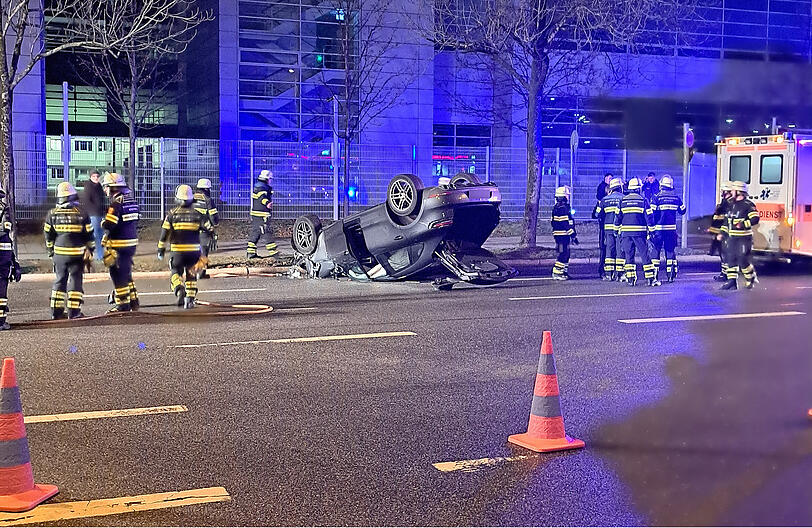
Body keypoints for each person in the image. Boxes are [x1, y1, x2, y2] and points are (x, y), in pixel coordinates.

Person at [43, 182, 95, 320]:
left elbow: (48, 235)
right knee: (75, 280)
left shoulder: (52, 214)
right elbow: (89, 234)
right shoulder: (82, 214)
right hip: (77, 254)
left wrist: (51, 252)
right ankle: (74, 312)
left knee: (60, 280)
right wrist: (91, 249)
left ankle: (56, 312)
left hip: (59, 254)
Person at [158, 185, 215, 309]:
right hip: (193, 251)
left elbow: (164, 233)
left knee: (175, 271)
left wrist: (161, 249)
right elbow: (209, 227)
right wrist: (212, 236)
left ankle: (179, 289)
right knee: (191, 274)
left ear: (177, 198)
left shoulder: (171, 214)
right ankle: (189, 299)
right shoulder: (197, 214)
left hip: (177, 251)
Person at [101, 172, 140, 312]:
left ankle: (122, 305)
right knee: (126, 272)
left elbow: (110, 224)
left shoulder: (116, 203)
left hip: (118, 244)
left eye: (106, 187)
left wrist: (103, 223)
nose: (105, 190)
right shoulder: (132, 201)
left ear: (112, 188)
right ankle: (134, 301)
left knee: (117, 274)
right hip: (131, 243)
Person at [615, 177, 658, 286]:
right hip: (639, 233)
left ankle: (631, 278)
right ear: (639, 189)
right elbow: (649, 217)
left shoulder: (622, 201)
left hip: (625, 234)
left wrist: (616, 230)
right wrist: (652, 231)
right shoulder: (643, 201)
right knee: (644, 255)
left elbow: (617, 217)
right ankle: (650, 278)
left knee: (629, 255)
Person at [719, 181, 759, 290]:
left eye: (733, 190)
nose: (731, 192)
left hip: (744, 238)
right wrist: (722, 233)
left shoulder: (748, 205)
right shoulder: (731, 204)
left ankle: (750, 277)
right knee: (730, 258)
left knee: (742, 259)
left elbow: (755, 219)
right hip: (732, 237)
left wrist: (743, 224)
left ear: (738, 191)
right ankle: (732, 281)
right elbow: (727, 221)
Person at [648, 174, 686, 283]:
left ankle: (654, 276)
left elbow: (652, 214)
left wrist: (651, 227)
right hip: (671, 230)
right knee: (669, 251)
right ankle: (670, 275)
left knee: (656, 251)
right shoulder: (676, 198)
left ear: (661, 185)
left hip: (659, 229)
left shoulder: (656, 197)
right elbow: (683, 210)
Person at [593, 177, 624, 280]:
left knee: (609, 250)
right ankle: (620, 274)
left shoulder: (604, 199)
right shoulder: (623, 198)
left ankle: (608, 274)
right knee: (619, 250)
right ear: (619, 187)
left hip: (607, 229)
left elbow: (597, 214)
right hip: (619, 228)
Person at [0, 185, 22, 330]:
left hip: (4, 256)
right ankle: (0, 321)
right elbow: (8, 236)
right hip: (3, 258)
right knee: (1, 288)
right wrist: (14, 263)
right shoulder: (4, 210)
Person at [246, 169, 278, 259]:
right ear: (267, 179)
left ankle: (251, 252)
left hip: (256, 214)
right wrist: (267, 203)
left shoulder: (258, 186)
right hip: (262, 214)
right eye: (270, 179)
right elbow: (262, 197)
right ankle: (274, 253)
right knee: (266, 232)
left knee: (256, 232)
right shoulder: (262, 187)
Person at [193, 178, 220, 279]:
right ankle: (201, 272)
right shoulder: (207, 200)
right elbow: (213, 216)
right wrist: (215, 224)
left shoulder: (191, 197)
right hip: (203, 229)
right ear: (207, 189)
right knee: (204, 249)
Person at [551, 186, 578, 280]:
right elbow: (565, 223)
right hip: (562, 235)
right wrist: (573, 235)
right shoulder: (563, 208)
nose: (568, 197)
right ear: (563, 197)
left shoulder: (557, 208)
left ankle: (563, 271)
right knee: (563, 253)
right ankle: (557, 273)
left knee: (566, 253)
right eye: (567, 195)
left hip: (561, 235)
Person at [709, 182, 733, 282]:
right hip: (721, 233)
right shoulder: (726, 202)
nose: (722, 193)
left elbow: (722, 220)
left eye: (723, 191)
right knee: (723, 255)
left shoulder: (728, 203)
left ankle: (726, 275)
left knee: (725, 255)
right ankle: (725, 274)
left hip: (724, 234)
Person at [81, 170, 105, 260]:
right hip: (93, 214)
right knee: (97, 235)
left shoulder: (99, 186)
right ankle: (99, 255)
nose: (96, 178)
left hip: (100, 214)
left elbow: (102, 200)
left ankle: (98, 254)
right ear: (90, 177)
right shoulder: (88, 186)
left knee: (101, 235)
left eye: (97, 176)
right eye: (94, 176)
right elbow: (87, 201)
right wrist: (94, 210)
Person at [593, 173, 613, 278]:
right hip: (607, 229)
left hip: (606, 228)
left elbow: (595, 214)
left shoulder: (605, 201)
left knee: (606, 250)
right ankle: (604, 271)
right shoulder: (602, 194)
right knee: (606, 250)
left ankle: (606, 271)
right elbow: (595, 214)